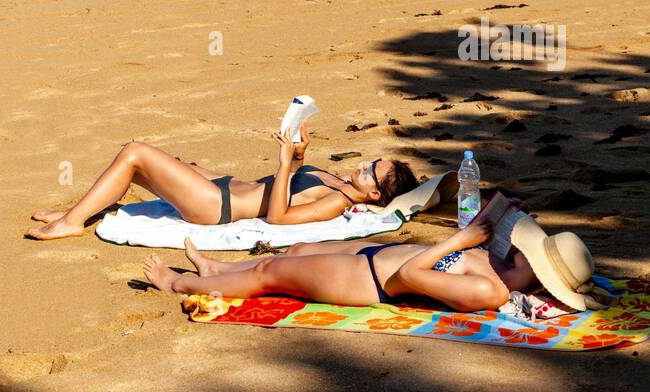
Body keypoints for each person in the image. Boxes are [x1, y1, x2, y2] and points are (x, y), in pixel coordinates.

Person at [26, 127, 417, 240]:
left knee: (135, 152)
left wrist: (283, 164)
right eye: (371, 160)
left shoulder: (335, 204)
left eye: (371, 171)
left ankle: (72, 222)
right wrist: (298, 153)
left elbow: (278, 217)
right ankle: (80, 210)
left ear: (374, 194)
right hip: (227, 186)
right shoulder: (335, 181)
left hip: (218, 207)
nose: (364, 164)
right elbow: (298, 178)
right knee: (155, 166)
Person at [143, 221, 541, 313]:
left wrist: (456, 241)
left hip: (369, 280)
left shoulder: (493, 291)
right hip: (376, 253)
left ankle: (180, 284)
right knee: (296, 250)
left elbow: (411, 277)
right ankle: (217, 268)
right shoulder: (502, 262)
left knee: (269, 276)